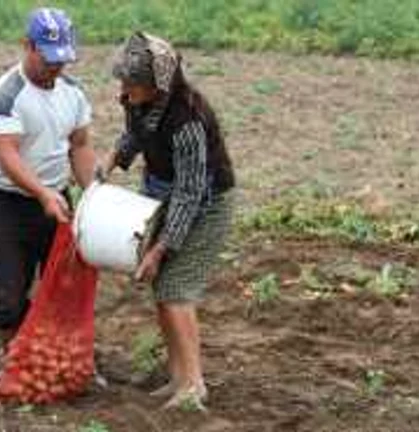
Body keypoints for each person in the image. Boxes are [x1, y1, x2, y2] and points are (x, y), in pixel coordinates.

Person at [103, 32, 236, 409]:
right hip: (164, 196)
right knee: (164, 291)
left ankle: (194, 385)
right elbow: (134, 135)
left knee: (176, 290)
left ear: (158, 84)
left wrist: (159, 249)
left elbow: (190, 194)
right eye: (123, 80)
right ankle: (178, 377)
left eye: (132, 82)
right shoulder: (139, 101)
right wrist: (109, 161)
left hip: (206, 206)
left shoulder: (188, 119)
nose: (124, 89)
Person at [0, 7, 96, 345]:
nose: (55, 69)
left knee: (62, 284)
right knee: (10, 293)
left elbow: (80, 144)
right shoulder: (6, 96)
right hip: (7, 204)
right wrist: (42, 193)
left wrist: (93, 194)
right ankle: (11, 352)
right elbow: (7, 155)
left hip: (57, 199)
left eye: (62, 61)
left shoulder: (72, 91)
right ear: (28, 46)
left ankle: (57, 351)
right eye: (48, 60)